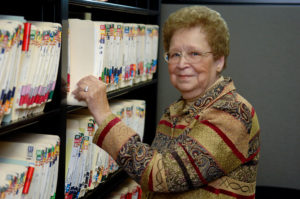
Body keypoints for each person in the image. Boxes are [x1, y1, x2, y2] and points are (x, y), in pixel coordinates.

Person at [72, 6, 260, 199]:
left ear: (219, 61)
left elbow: (162, 176)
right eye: (175, 54)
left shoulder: (234, 112)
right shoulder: (175, 111)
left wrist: (103, 114)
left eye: (194, 53)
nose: (181, 64)